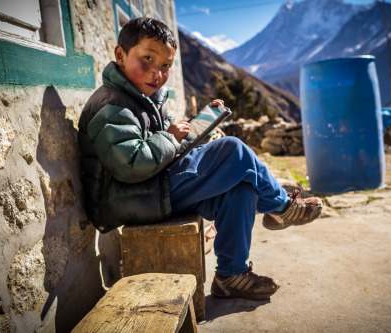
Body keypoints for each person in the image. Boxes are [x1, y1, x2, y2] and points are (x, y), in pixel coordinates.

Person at [77, 17, 323, 300]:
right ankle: (281, 207)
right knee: (233, 149)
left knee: (240, 189)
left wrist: (199, 126)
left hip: (152, 189)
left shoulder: (147, 98)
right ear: (120, 55)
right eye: (148, 58)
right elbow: (132, 165)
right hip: (130, 197)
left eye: (166, 65)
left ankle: (231, 275)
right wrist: (170, 137)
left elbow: (171, 147)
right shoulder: (111, 107)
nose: (158, 72)